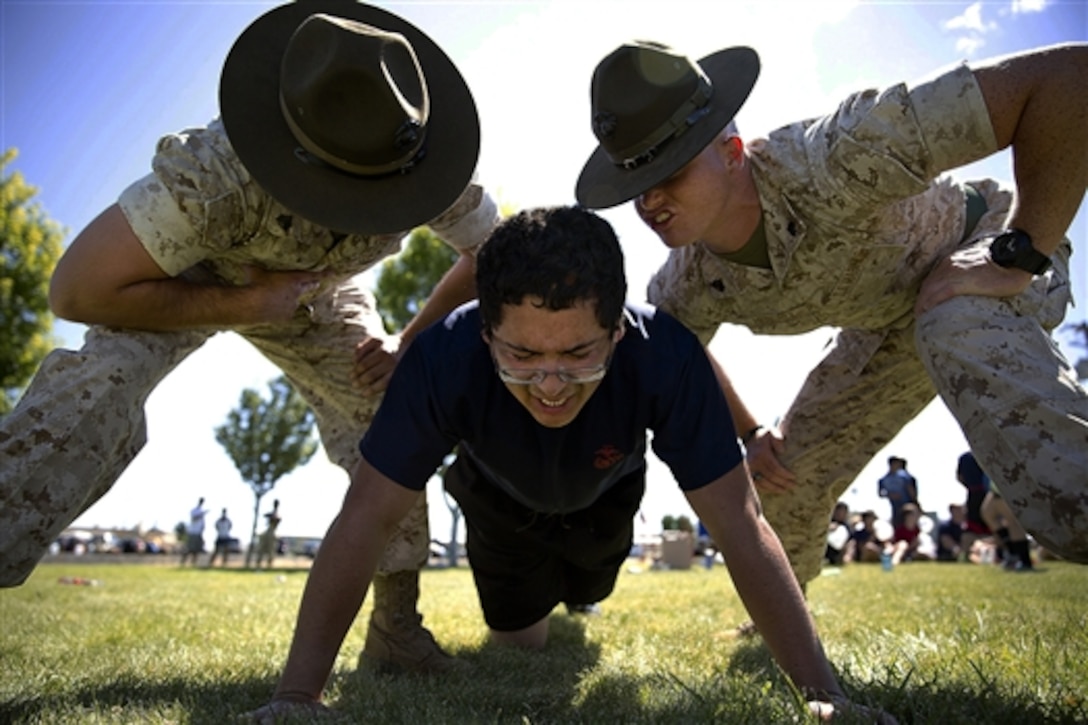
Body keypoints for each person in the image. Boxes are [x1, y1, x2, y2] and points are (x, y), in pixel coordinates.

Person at [0, 1, 499, 675]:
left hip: (317, 295)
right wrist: (246, 301)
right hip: (187, 280)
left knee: (390, 408)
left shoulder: (424, 162)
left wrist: (408, 340)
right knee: (101, 383)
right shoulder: (215, 176)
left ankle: (396, 632)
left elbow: (490, 255)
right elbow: (77, 290)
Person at [247, 207, 893, 723]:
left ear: (618, 331)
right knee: (521, 643)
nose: (551, 384)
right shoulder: (439, 360)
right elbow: (365, 516)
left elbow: (738, 522)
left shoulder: (665, 355)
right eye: (522, 355)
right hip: (499, 503)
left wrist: (823, 692)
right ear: (484, 332)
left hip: (604, 498)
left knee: (587, 589)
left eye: (579, 353)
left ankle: (582, 592)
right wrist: (298, 693)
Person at [575, 40, 1088, 595]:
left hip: (984, 248)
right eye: (635, 181)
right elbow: (679, 347)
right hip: (889, 326)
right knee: (781, 476)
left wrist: (1018, 251)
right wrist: (750, 432)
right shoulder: (687, 280)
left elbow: (1066, 77)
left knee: (954, 323)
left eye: (670, 170)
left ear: (731, 151)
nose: (650, 201)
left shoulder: (838, 154)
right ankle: (782, 620)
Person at [877, 456, 920, 526]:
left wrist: (915, 503)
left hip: (907, 506)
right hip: (895, 507)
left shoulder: (904, 477)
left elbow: (910, 489)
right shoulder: (883, 480)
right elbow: (880, 493)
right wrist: (889, 494)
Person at [180, 497, 209, 567]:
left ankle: (193, 563)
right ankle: (183, 562)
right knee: (189, 548)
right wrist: (202, 514)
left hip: (199, 532)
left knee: (197, 549)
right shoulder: (194, 510)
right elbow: (194, 518)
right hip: (193, 532)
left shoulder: (201, 510)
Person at [255, 499, 283, 570]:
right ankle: (258, 565)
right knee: (261, 549)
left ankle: (269, 566)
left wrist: (272, 516)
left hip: (272, 532)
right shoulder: (272, 512)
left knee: (271, 551)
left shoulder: (277, 513)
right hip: (267, 531)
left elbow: (277, 518)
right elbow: (266, 515)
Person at [824, 501, 851, 566]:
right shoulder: (826, 521)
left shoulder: (846, 526)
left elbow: (850, 541)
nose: (842, 514)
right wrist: (828, 528)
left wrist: (848, 554)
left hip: (839, 550)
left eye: (844, 512)